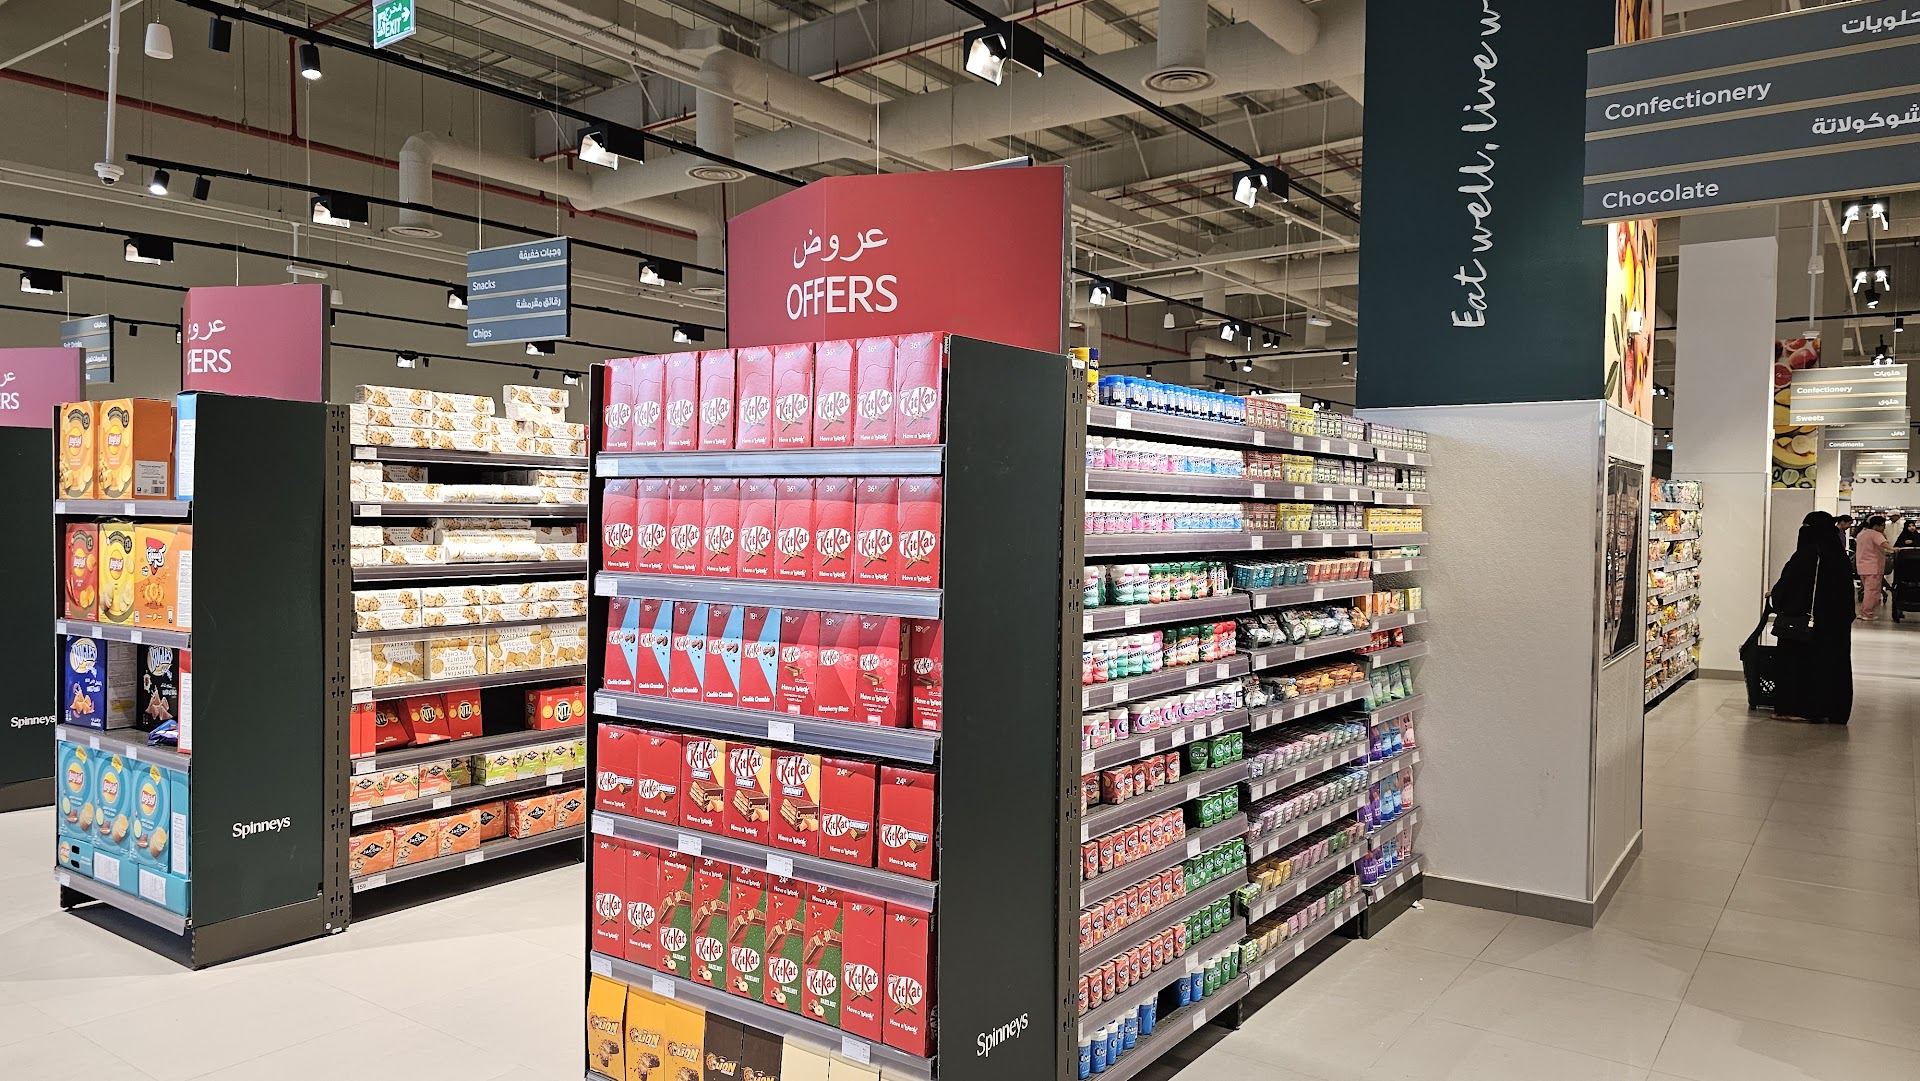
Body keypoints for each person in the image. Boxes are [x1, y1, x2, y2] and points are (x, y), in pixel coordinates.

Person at [1770, 511, 1855, 724]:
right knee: (1831, 665)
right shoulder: (1839, 556)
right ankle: (1830, 708)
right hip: (1834, 624)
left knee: (1800, 664)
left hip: (1804, 624)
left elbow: (1788, 586)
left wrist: (1776, 596)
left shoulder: (1808, 554)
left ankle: (1801, 708)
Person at [1856, 514, 1892, 619]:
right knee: (1872, 591)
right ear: (1876, 526)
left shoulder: (1861, 533)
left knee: (1867, 590)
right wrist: (1894, 549)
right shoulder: (1876, 534)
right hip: (1873, 566)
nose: (1884, 528)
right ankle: (1867, 613)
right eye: (1883, 526)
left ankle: (1863, 612)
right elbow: (1883, 544)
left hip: (1862, 566)